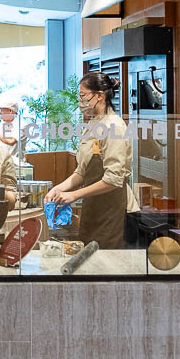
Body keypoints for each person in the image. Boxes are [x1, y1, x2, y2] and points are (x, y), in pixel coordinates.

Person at [45, 72, 138, 249]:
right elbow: (82, 171)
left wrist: (74, 195)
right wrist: (58, 189)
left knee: (106, 267)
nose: (80, 101)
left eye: (83, 96)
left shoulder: (114, 126)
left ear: (100, 96)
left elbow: (113, 179)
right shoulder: (93, 123)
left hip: (113, 212)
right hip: (94, 208)